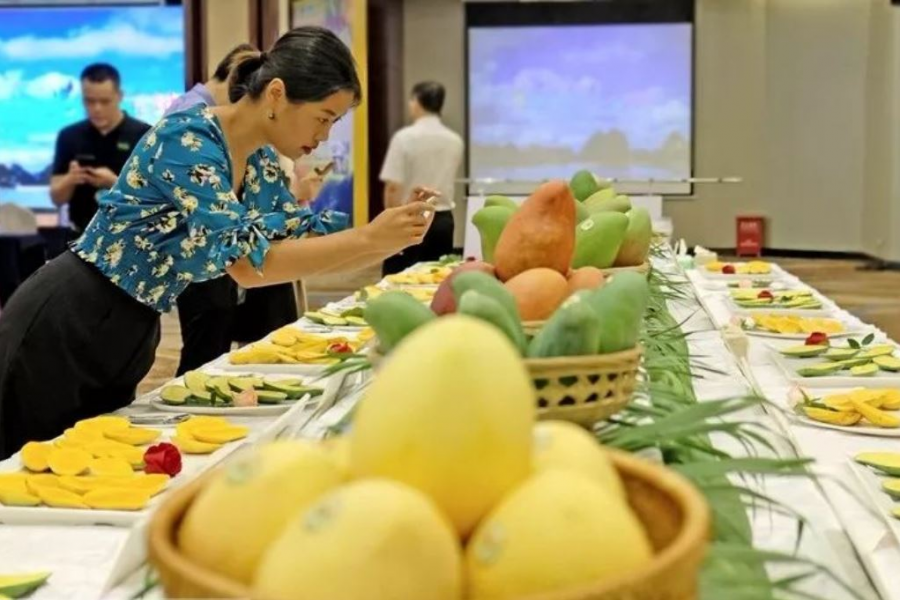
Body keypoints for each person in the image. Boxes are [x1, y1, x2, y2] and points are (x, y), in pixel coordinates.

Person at [0, 26, 437, 459]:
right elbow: (246, 264)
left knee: (86, 465)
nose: (324, 136)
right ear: (277, 94)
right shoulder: (187, 139)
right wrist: (368, 238)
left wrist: (387, 232)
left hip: (135, 324)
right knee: (22, 472)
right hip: (69, 317)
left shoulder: (259, 158)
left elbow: (292, 232)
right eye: (324, 118)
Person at [163, 44, 310, 376]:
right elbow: (232, 245)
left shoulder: (241, 136)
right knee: (206, 348)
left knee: (246, 342)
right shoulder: (192, 123)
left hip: (220, 256)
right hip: (199, 261)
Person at [49, 63, 152, 234]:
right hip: (80, 236)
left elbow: (155, 199)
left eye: (105, 101)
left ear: (119, 96)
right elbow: (57, 198)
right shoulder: (69, 136)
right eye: (89, 101)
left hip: (131, 237)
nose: (97, 109)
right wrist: (71, 179)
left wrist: (114, 183)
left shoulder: (144, 135)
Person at [380, 81, 463, 275]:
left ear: (416, 102)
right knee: (435, 280)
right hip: (442, 219)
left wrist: (391, 223)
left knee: (397, 281)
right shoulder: (454, 140)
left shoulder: (404, 138)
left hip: (410, 217)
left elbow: (393, 186)